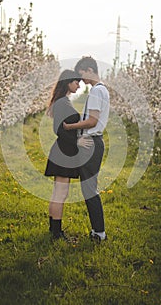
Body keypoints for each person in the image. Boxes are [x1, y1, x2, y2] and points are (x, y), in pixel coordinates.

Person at [64, 57, 110, 242]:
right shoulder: (101, 90)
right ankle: (97, 231)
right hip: (93, 142)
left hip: (91, 143)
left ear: (89, 69)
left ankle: (99, 233)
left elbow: (92, 121)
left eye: (81, 75)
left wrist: (70, 127)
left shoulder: (97, 92)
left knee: (90, 189)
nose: (81, 80)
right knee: (88, 188)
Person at [45, 69, 92, 240]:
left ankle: (53, 230)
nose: (79, 86)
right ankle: (56, 234)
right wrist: (76, 142)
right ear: (67, 83)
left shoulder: (63, 101)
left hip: (64, 151)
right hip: (63, 152)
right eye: (76, 82)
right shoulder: (62, 103)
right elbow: (58, 129)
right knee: (61, 194)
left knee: (58, 192)